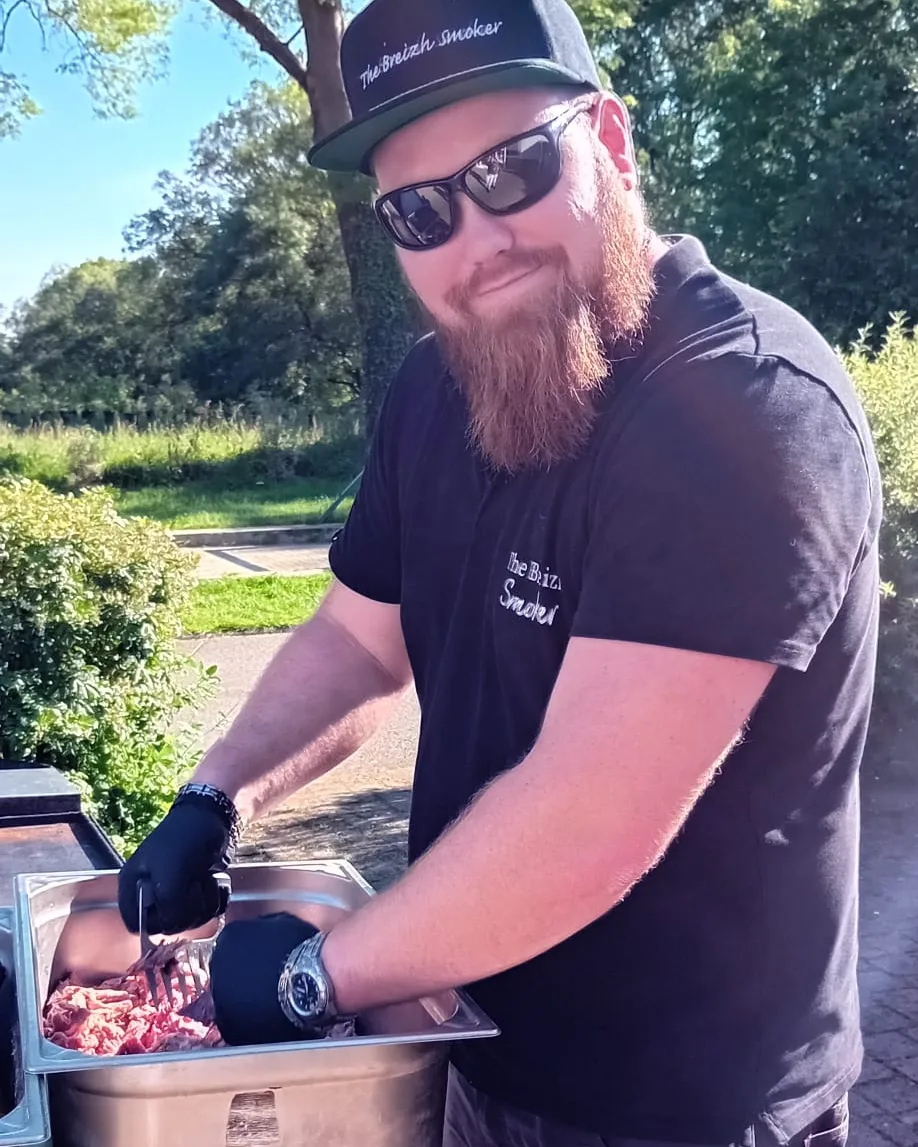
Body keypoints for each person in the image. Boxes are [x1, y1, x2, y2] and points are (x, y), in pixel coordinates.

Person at [118, 1, 881, 1143]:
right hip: (476, 1052)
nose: (476, 242)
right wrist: (215, 797)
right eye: (419, 211)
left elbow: (589, 816)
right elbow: (357, 640)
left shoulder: (744, 407)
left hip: (695, 1104)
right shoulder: (437, 390)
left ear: (611, 145)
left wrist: (314, 977)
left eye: (515, 170)